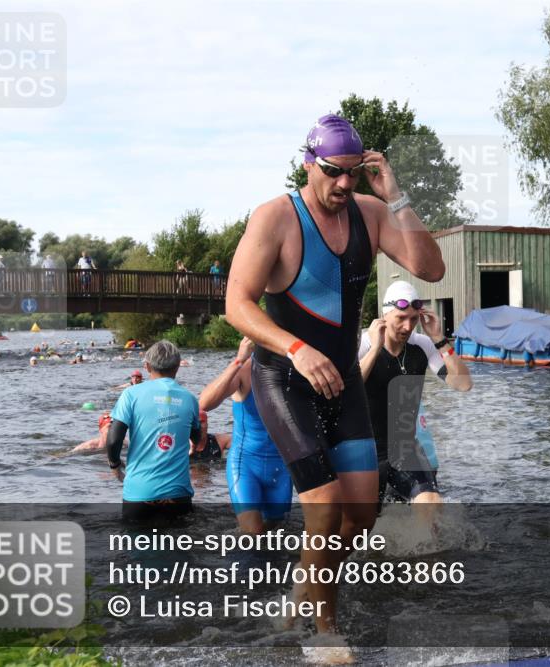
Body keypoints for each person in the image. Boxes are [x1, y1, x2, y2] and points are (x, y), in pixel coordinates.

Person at [225, 113, 444, 650]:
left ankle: (304, 587)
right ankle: (325, 632)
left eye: (353, 172)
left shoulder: (370, 214)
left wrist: (395, 196)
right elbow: (236, 304)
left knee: (361, 515)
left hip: (342, 379)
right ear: (307, 163)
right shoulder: (275, 218)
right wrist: (295, 349)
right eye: (332, 172)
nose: (344, 184)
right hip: (284, 378)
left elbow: (430, 268)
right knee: (322, 507)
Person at [358, 281, 472, 519]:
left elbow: (463, 384)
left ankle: (428, 556)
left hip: (404, 446)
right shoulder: (362, 343)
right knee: (359, 528)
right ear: (384, 315)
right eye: (400, 318)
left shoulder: (422, 345)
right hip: (363, 450)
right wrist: (375, 349)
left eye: (413, 319)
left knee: (431, 504)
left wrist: (439, 339)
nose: (407, 326)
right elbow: (345, 391)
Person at [199, 336, 291, 535]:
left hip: (282, 466)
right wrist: (238, 360)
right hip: (246, 464)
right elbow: (205, 403)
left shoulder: (295, 372)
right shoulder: (245, 371)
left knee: (277, 532)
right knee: (253, 534)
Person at [105, 340, 202, 523]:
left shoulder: (131, 394)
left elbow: (113, 440)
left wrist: (115, 466)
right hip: (178, 494)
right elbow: (197, 437)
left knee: (134, 547)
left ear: (147, 366)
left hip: (139, 494)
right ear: (177, 367)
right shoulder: (190, 399)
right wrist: (192, 443)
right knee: (180, 549)